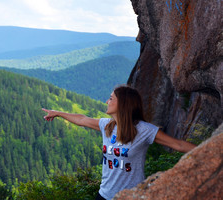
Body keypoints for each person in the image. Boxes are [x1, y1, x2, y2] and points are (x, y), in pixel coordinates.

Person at [42, 85, 196, 200]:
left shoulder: (144, 130)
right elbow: (82, 119)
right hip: (104, 195)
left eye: (111, 98)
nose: (107, 101)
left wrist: (215, 149)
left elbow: (178, 145)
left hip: (130, 196)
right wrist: (58, 113)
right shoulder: (107, 126)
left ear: (123, 104)